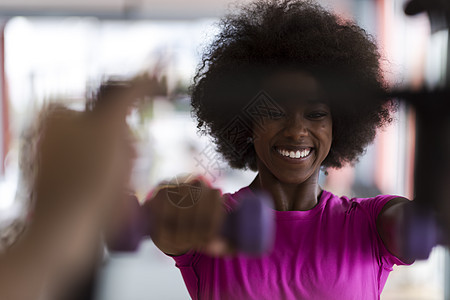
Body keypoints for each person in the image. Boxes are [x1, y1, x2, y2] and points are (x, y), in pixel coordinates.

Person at [146, 0, 414, 299]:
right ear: (248, 124)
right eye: (274, 113)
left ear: (338, 126)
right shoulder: (215, 222)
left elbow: (412, 225)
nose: (297, 130)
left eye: (315, 114)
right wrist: (170, 210)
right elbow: (165, 224)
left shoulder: (369, 224)